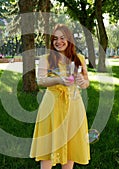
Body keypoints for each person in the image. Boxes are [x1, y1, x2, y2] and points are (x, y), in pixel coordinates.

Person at [30, 24, 90, 169]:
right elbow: (41, 80)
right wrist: (58, 80)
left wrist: (83, 82)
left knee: (71, 144)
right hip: (52, 105)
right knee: (49, 145)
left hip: (74, 105)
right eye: (55, 39)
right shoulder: (46, 58)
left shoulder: (79, 58)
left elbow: (86, 82)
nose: (59, 42)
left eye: (62, 38)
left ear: (69, 40)